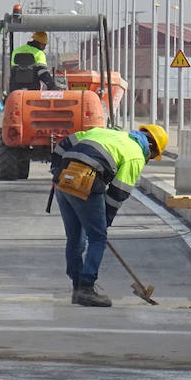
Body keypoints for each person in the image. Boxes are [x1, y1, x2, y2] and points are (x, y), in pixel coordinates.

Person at [49, 123, 168, 307]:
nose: (148, 159)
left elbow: (64, 144)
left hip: (63, 179)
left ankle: (77, 287)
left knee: (74, 238)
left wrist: (56, 169)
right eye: (152, 156)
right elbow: (117, 193)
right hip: (85, 181)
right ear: (150, 146)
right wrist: (103, 223)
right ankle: (86, 289)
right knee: (98, 238)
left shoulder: (106, 132)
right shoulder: (136, 155)